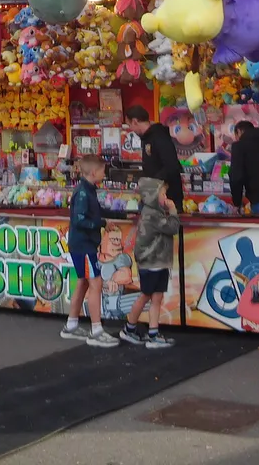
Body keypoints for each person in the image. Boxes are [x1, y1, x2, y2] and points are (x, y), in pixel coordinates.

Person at [61, 155, 125, 346]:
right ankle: (96, 330)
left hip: (81, 244)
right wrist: (103, 223)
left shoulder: (87, 190)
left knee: (83, 282)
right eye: (103, 171)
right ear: (94, 172)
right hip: (84, 245)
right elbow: (80, 220)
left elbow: (94, 212)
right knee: (95, 283)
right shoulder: (83, 193)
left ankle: (71, 325)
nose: (104, 174)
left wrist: (116, 214)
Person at [119, 177, 180, 348]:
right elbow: (173, 228)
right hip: (152, 262)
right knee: (147, 295)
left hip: (157, 262)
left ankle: (153, 332)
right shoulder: (153, 215)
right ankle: (129, 328)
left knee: (156, 296)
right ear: (153, 195)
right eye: (163, 193)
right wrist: (173, 210)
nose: (165, 197)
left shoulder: (154, 213)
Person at [125, 105, 183, 212]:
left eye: (129, 125)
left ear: (135, 122)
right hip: (154, 200)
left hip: (168, 200)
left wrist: (150, 183)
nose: (131, 129)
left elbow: (172, 166)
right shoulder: (147, 138)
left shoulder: (159, 136)